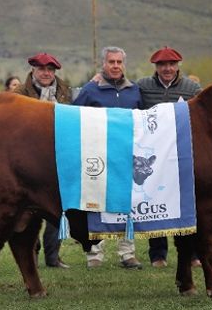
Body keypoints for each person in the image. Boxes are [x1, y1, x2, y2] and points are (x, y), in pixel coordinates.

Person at [73, 46, 143, 269]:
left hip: (126, 156)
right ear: (103, 64)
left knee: (127, 203)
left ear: (124, 64)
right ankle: (94, 254)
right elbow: (76, 117)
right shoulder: (90, 90)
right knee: (95, 204)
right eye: (111, 62)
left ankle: (127, 253)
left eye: (119, 62)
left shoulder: (134, 91)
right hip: (97, 157)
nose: (115, 66)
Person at [136, 46, 202, 268]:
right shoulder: (143, 86)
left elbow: (202, 114)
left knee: (186, 203)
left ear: (178, 66)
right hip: (154, 155)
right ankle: (158, 255)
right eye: (162, 65)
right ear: (155, 67)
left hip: (183, 153)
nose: (167, 68)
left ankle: (192, 254)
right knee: (155, 202)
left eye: (171, 64)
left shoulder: (192, 88)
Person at [13, 53, 71, 269]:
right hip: (29, 157)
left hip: (58, 157)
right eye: (41, 69)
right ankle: (32, 252)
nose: (46, 73)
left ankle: (53, 256)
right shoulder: (19, 94)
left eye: (50, 69)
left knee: (57, 208)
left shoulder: (64, 91)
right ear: (33, 70)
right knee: (29, 208)